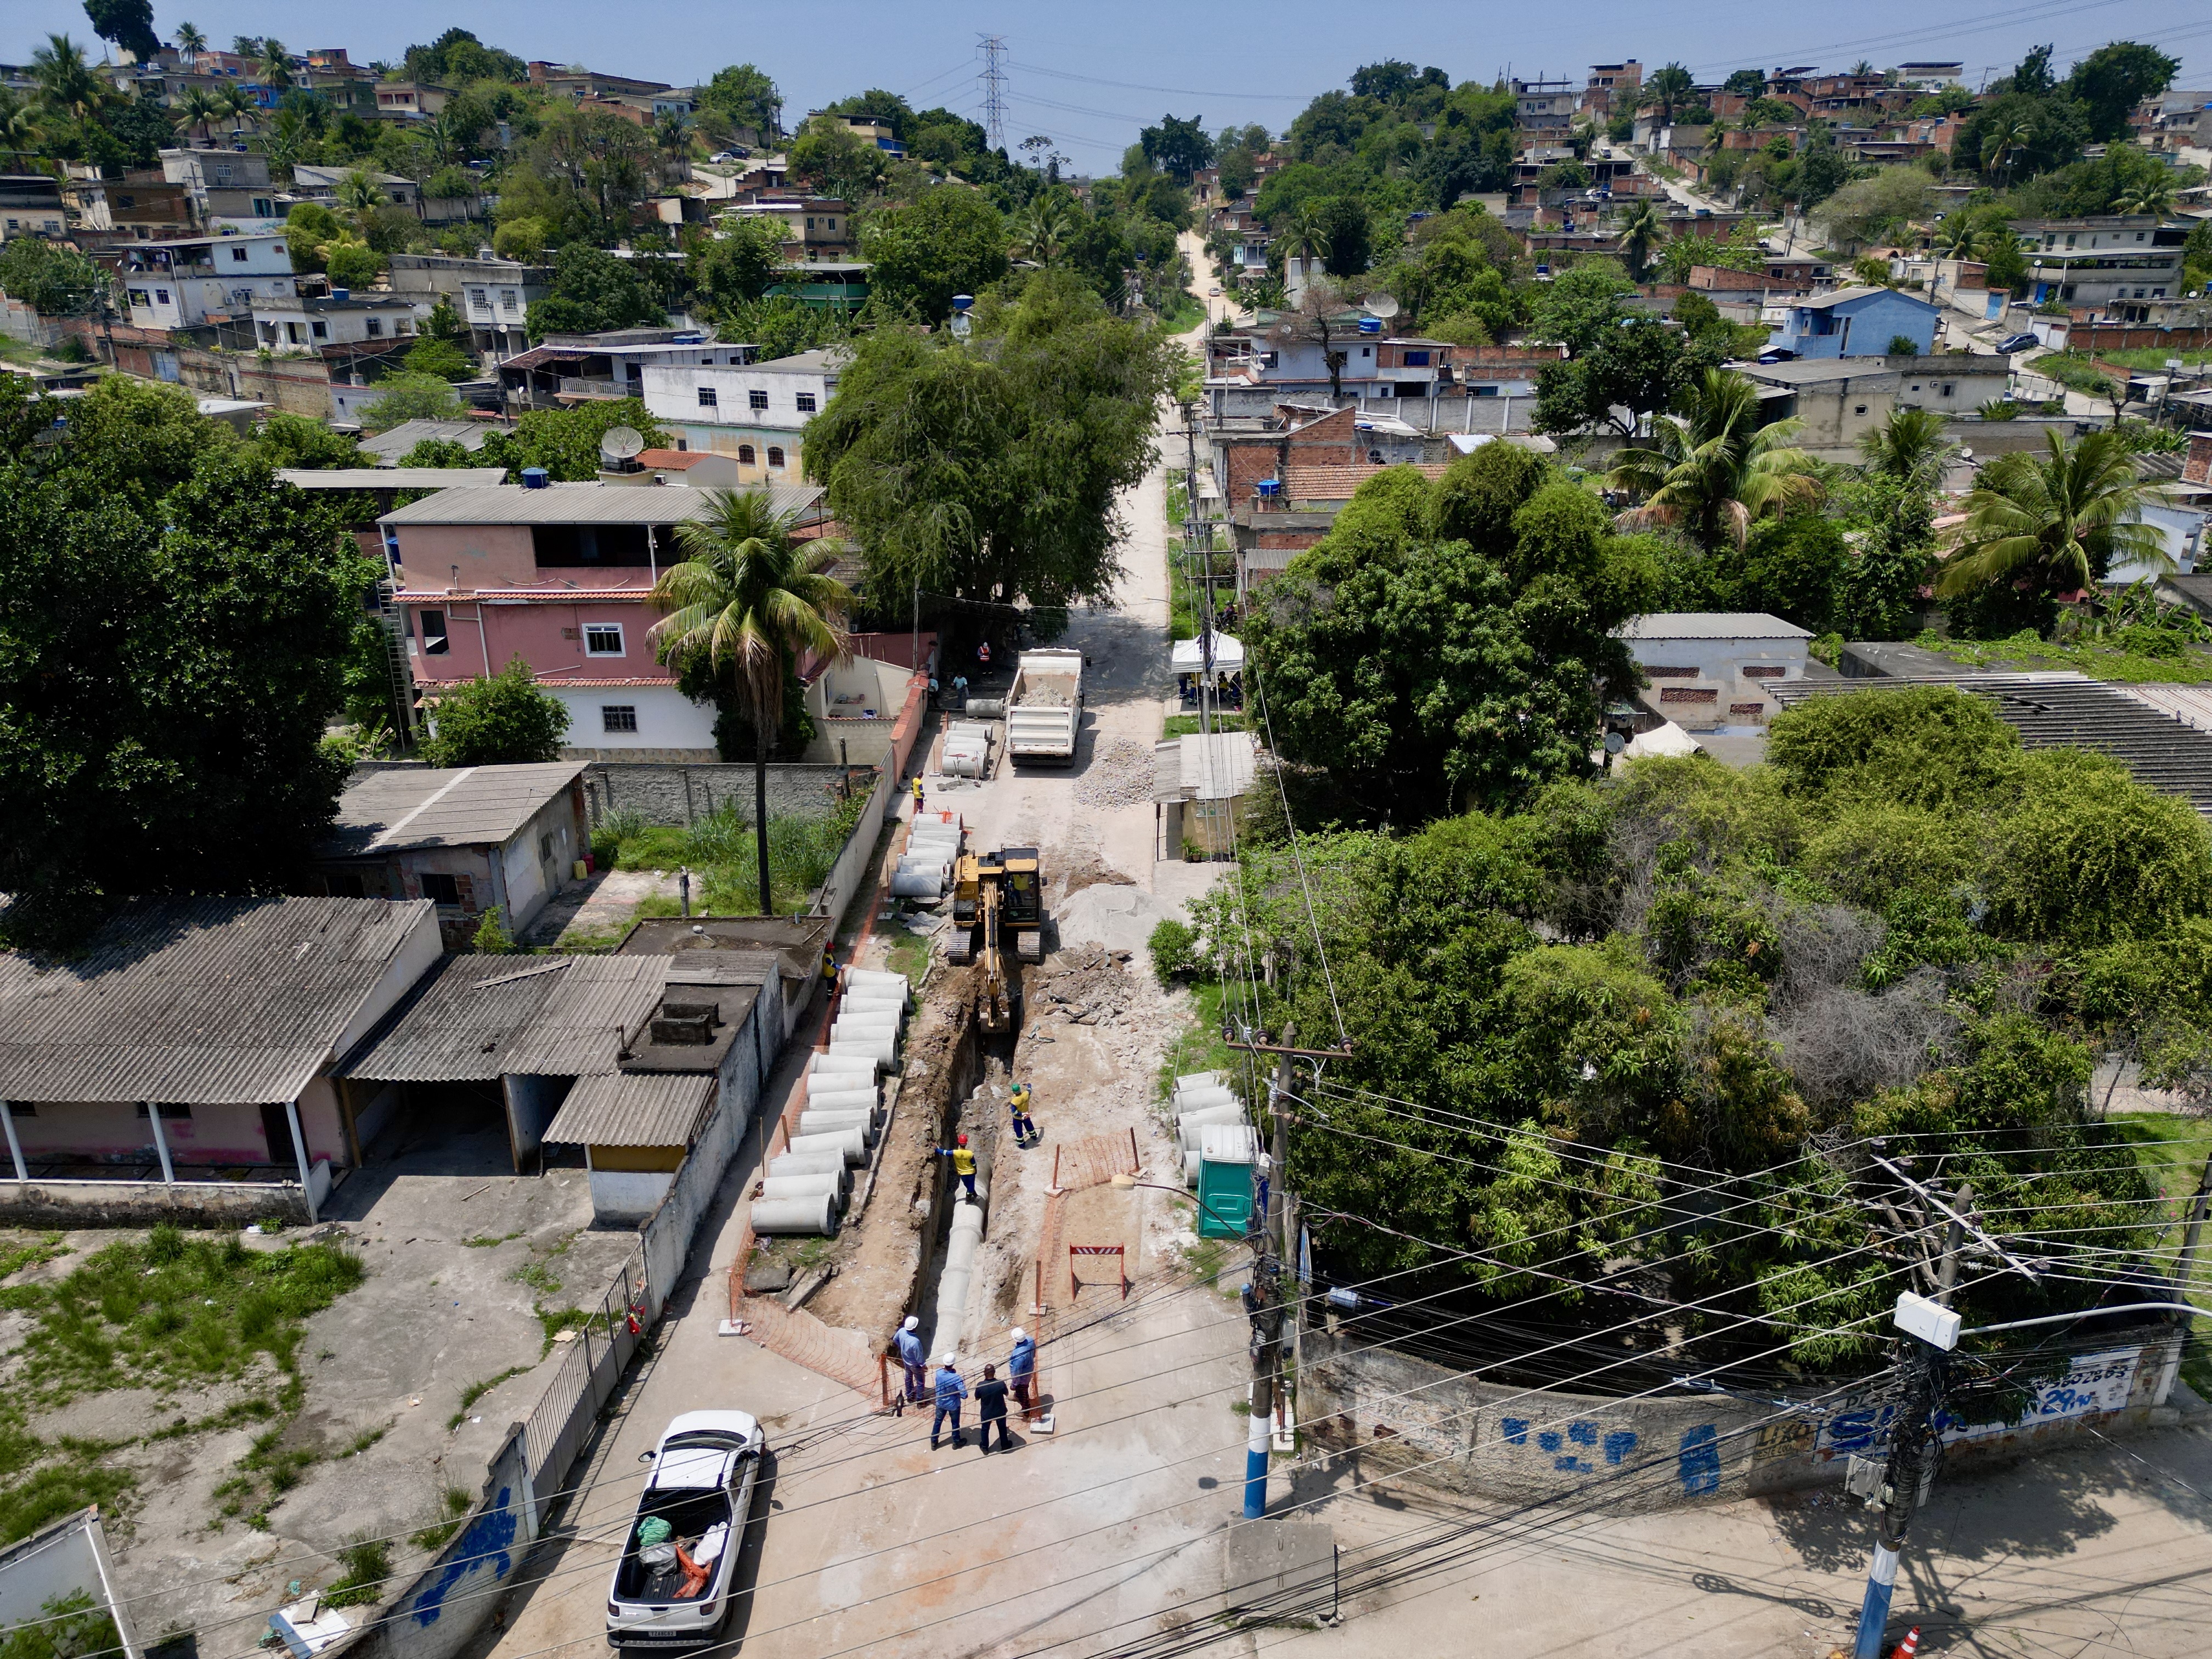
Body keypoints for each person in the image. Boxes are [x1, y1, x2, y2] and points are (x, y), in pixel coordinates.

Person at [974, 1362, 1012, 1453]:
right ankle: (1004, 1446)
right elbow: (1007, 1394)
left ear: (984, 1373)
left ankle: (985, 1448)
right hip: (1000, 1411)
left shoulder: (980, 1385)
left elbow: (977, 1398)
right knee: (1002, 1428)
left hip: (986, 1412)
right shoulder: (1000, 1383)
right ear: (994, 1372)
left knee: (985, 1429)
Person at [930, 1355, 967, 1448]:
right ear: (953, 1364)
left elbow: (941, 1371)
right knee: (955, 1423)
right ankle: (956, 1442)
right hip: (953, 1405)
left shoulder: (938, 1373)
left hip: (940, 1403)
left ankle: (934, 1442)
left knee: (938, 1422)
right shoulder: (956, 1378)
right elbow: (965, 1395)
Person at [895, 1313, 926, 1405]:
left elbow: (896, 1340)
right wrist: (923, 1365)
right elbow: (919, 1356)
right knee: (920, 1382)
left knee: (908, 1378)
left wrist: (903, 1349)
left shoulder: (901, 1331)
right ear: (914, 1327)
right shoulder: (915, 1342)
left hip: (906, 1360)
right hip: (915, 1364)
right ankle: (920, 1401)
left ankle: (910, 1396)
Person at [1008, 1327, 1038, 1421]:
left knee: (1023, 1393)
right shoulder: (1030, 1340)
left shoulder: (1019, 1355)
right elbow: (1034, 1353)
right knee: (1022, 1389)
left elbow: (1017, 1373)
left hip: (1022, 1378)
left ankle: (1026, 1411)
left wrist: (1014, 1385)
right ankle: (1017, 1396)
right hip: (1029, 1370)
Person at [938, 1133, 977, 1199]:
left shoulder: (955, 1153)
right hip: (971, 1173)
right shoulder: (970, 1153)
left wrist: (937, 1150)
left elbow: (945, 1153)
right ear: (966, 1144)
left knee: (968, 1186)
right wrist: (975, 1170)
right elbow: (974, 1164)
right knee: (970, 1187)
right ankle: (969, 1198)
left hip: (962, 1174)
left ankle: (973, 1196)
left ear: (959, 1143)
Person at [1008, 1083, 1036, 1147]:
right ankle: (1034, 1137)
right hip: (1026, 1116)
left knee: (1018, 1131)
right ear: (1020, 1090)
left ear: (1014, 1092)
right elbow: (1029, 1089)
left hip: (1018, 1119)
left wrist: (1021, 1114)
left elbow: (1015, 1112)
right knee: (1030, 1127)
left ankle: (1021, 1144)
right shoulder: (1026, 1094)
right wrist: (1029, 1085)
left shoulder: (1014, 1101)